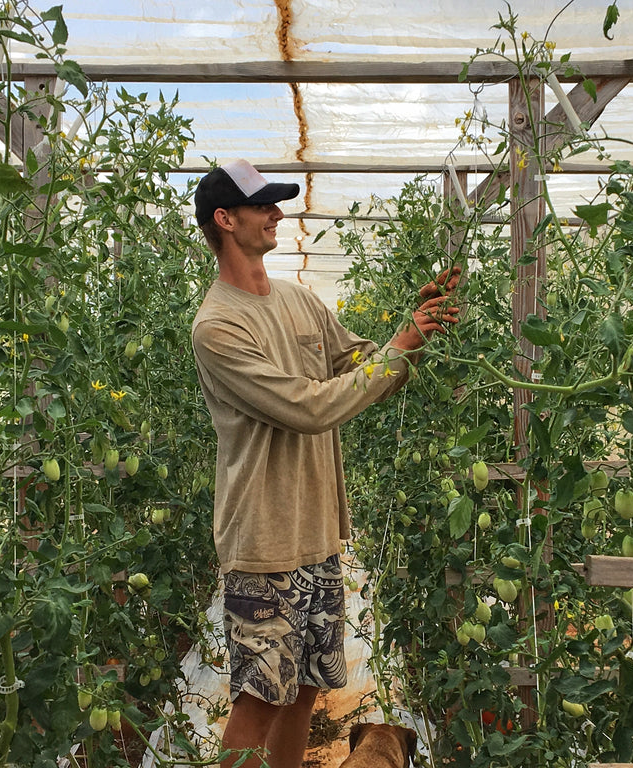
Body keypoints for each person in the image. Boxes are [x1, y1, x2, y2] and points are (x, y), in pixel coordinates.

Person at [190, 159, 459, 768]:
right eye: (263, 207)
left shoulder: (296, 300)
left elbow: (363, 363)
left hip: (317, 532)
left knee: (306, 687)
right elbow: (308, 407)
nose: (277, 214)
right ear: (226, 220)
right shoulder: (217, 326)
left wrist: (413, 329)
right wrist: (398, 351)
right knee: (258, 698)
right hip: (263, 538)